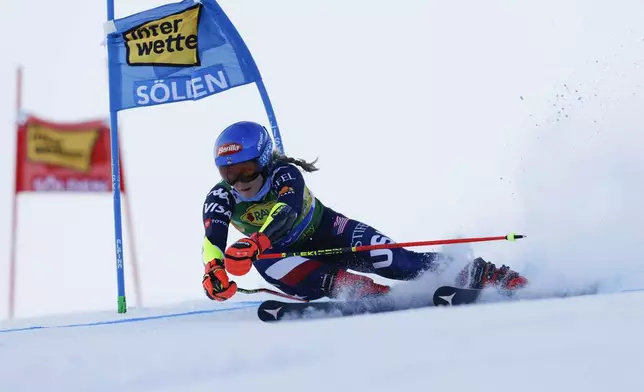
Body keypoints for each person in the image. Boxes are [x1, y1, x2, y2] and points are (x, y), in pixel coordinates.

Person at [201, 121, 528, 302]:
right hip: (292, 261)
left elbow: (285, 210)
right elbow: (212, 239)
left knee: (393, 260)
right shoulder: (220, 196)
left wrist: (256, 240)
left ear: (264, 159)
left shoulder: (284, 173)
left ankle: (479, 273)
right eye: (227, 173)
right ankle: (357, 290)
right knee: (264, 260)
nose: (238, 180)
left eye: (245, 169)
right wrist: (213, 271)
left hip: (331, 231)